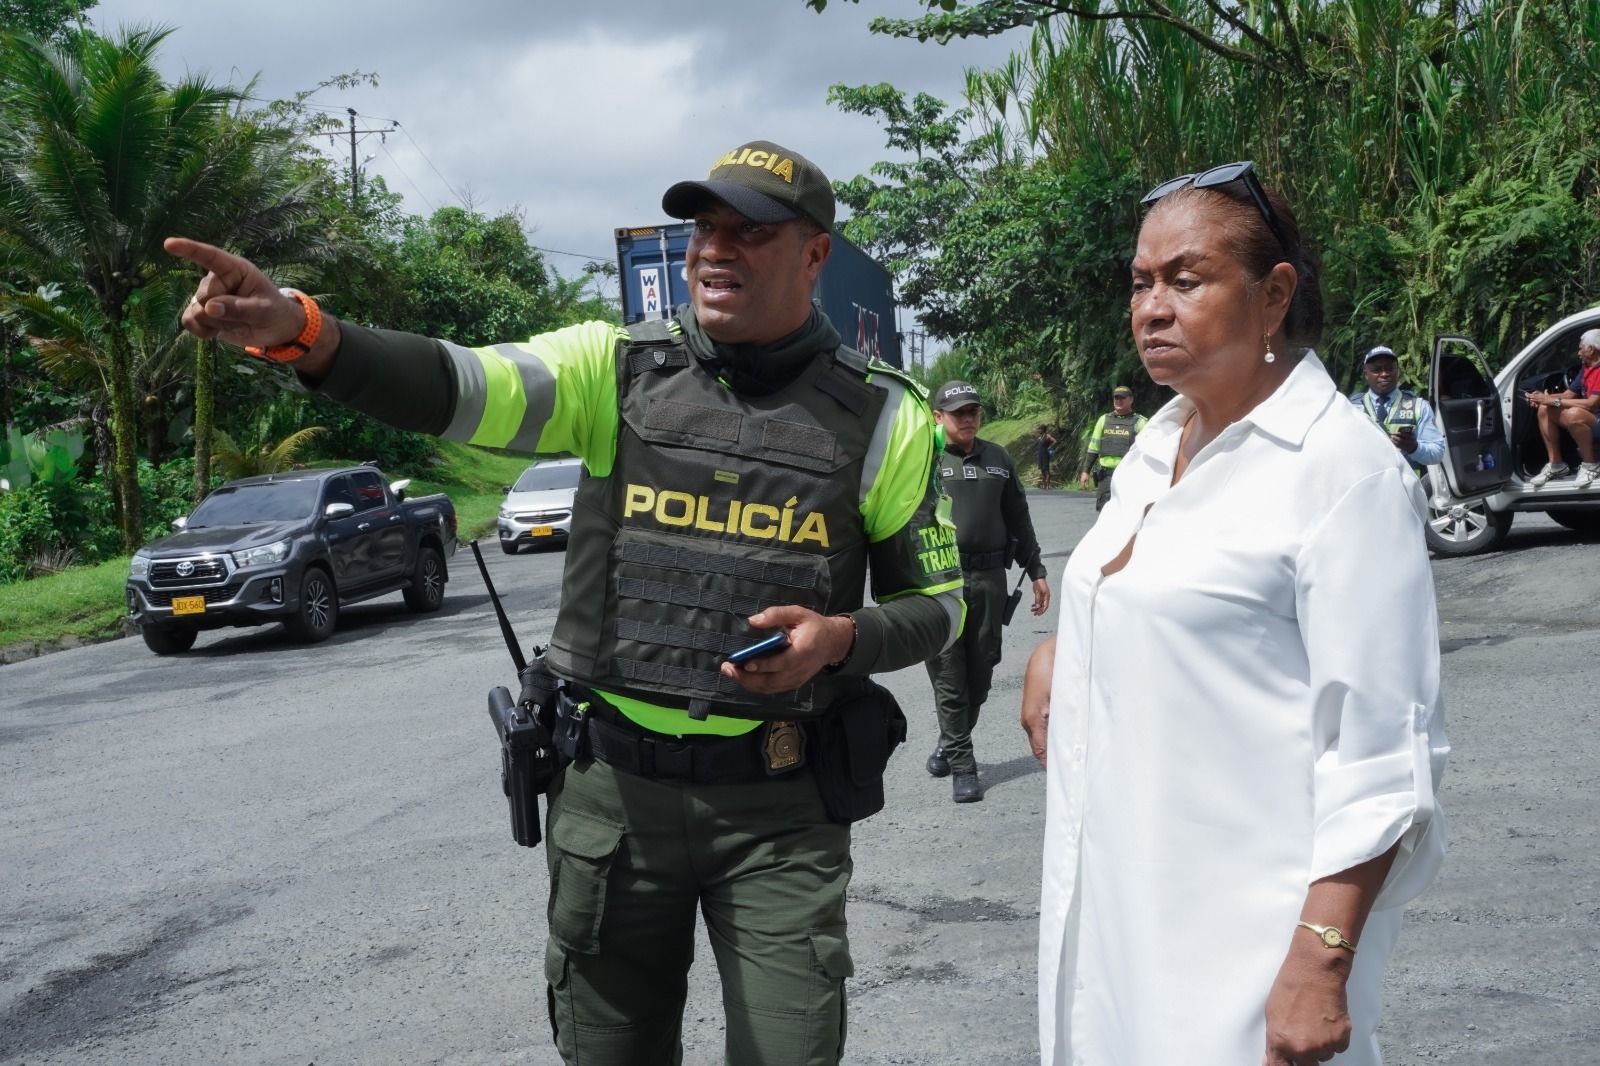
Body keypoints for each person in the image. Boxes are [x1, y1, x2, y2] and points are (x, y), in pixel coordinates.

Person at [167, 139, 964, 1066]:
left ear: (815, 255)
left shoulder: (885, 417)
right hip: (610, 804)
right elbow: (456, 384)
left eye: (750, 232)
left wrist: (841, 637)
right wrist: (304, 331)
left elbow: (941, 607)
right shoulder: (611, 369)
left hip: (778, 814)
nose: (715, 250)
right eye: (704, 227)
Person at [1020, 161, 1447, 1066]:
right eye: (1141, 282)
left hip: (1245, 944)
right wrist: (1072, 643)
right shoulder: (1161, 438)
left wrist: (1318, 963)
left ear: (1273, 294)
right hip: (1123, 912)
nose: (1152, 307)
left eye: (1187, 279)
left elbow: (1382, 751)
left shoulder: (1340, 472)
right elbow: (1163, 590)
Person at [923, 380, 1050, 803]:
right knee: (948, 674)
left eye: (973, 411)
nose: (968, 418)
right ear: (937, 416)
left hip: (990, 580)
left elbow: (1018, 514)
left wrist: (1036, 569)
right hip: (939, 580)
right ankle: (963, 764)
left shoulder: (998, 458)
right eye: (958, 412)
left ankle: (949, 740)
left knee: (981, 673)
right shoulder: (922, 457)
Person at [1524, 328, 1600, 488]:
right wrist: (1542, 398)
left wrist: (1554, 401)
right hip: (1593, 417)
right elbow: (1568, 394)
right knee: (1544, 408)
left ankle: (1590, 464)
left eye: (1580, 348)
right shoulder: (1586, 369)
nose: (1578, 353)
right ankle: (1556, 464)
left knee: (1574, 415)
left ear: (1591, 349)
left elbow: (1592, 403)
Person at [1350, 345, 1445, 471]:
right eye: (1377, 369)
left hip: (1407, 488)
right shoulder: (1351, 408)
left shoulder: (1419, 406)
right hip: (1367, 485)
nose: (1384, 374)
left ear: (1397, 371)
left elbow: (1437, 453)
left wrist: (1414, 448)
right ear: (1366, 374)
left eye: (1390, 368)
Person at [1077, 386, 1146, 511]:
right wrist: (1085, 471)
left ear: (1131, 400)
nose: (1118, 401)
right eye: (1116, 398)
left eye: (1122, 398)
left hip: (1129, 476)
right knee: (1104, 513)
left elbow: (1148, 452)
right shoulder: (1104, 420)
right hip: (1106, 477)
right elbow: (1093, 448)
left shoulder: (1140, 422)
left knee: (1128, 513)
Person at [1036, 423, 1058, 488]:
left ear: (1043, 430)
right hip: (1040, 455)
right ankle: (1043, 485)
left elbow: (1055, 441)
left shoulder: (1047, 436)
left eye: (1040, 429)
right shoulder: (1040, 437)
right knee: (1042, 470)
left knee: (1046, 470)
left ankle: (1048, 485)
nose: (1039, 431)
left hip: (1045, 454)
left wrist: (1049, 447)